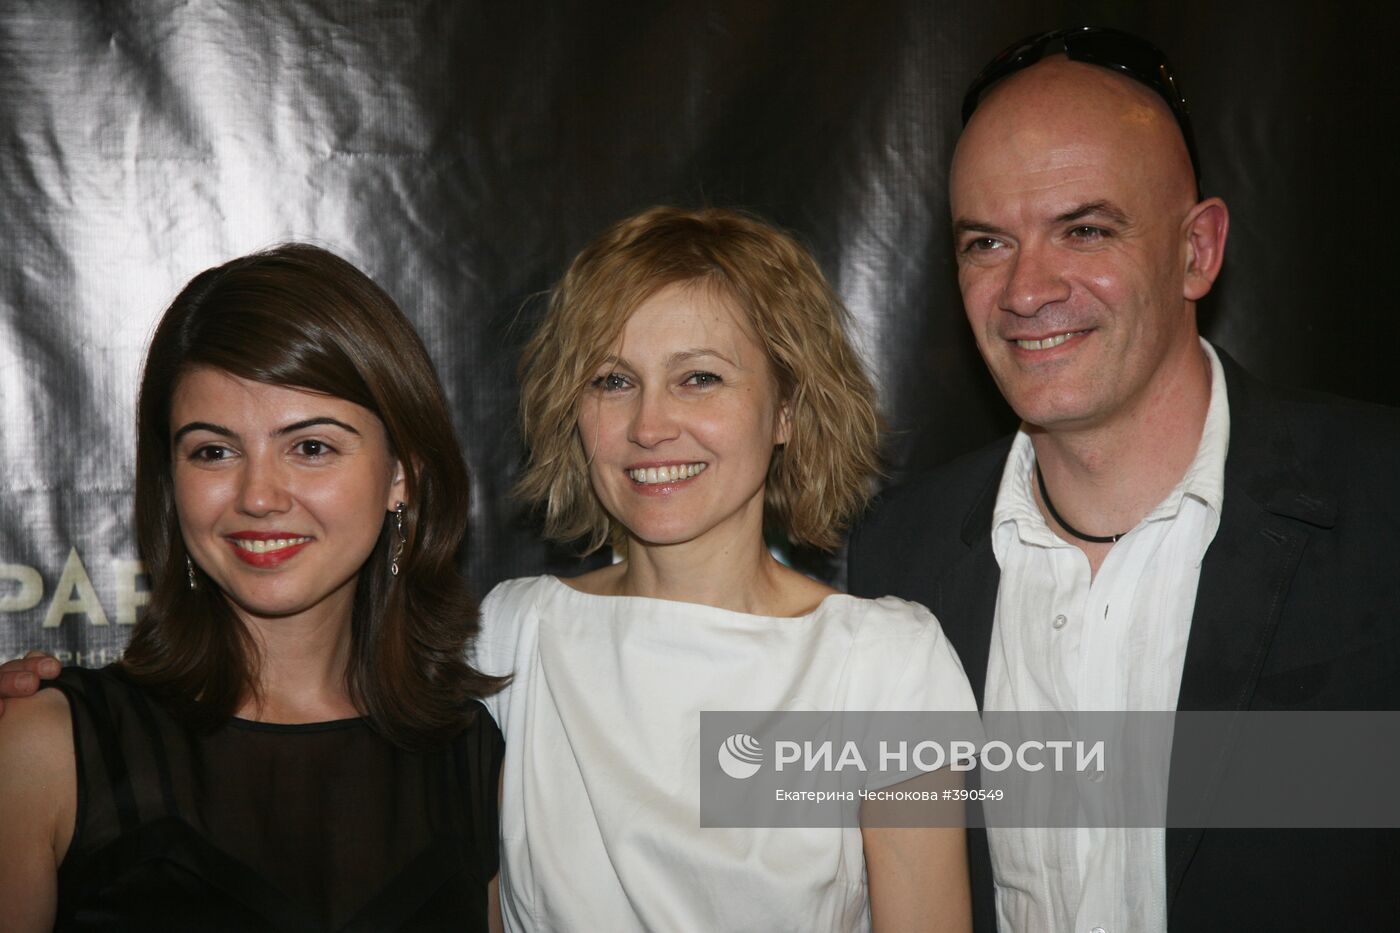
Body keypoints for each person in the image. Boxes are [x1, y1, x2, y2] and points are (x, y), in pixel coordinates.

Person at [847, 26, 1400, 933]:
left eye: (1084, 229)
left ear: (1197, 250)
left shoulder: (1380, 509)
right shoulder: (896, 561)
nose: (1026, 289)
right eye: (987, 242)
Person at [477, 205, 976, 931]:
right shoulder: (512, 638)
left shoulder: (885, 665)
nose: (649, 426)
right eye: (613, 381)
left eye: (700, 378)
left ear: (787, 410)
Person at [0, 245, 506, 931]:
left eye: (311, 447)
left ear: (401, 476)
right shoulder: (46, 748)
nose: (258, 496)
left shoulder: (469, 757)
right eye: (213, 451)